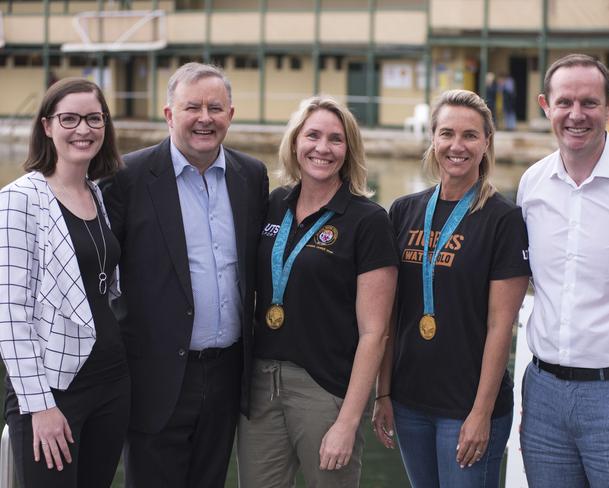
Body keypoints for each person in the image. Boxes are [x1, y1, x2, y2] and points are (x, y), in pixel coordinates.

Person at [101, 63, 269, 488]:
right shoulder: (127, 177)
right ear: (169, 114)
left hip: (228, 373)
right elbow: (97, 274)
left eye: (215, 107)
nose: (204, 118)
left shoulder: (251, 176)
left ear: (231, 114)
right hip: (153, 378)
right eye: (191, 107)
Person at [237, 95, 398, 487]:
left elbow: (374, 334)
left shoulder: (368, 221)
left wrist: (347, 421)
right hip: (260, 386)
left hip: (325, 391)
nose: (322, 148)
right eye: (312, 135)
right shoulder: (273, 205)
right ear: (295, 142)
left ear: (349, 150)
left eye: (335, 139)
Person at [373, 89, 530, 488]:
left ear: (486, 143)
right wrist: (383, 393)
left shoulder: (504, 220)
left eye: (470, 136)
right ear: (433, 139)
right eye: (447, 134)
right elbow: (391, 314)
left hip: (467, 407)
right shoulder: (403, 211)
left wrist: (481, 412)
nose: (456, 146)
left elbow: (501, 327)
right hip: (409, 401)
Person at [517, 53, 609, 487]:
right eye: (565, 102)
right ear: (545, 105)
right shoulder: (532, 184)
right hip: (543, 394)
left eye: (589, 103)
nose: (577, 115)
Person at [0, 78, 129, 488]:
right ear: (47, 126)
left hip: (111, 382)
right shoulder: (18, 200)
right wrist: (40, 406)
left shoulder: (96, 193)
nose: (83, 129)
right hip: (54, 387)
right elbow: (10, 312)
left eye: (94, 118)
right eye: (69, 118)